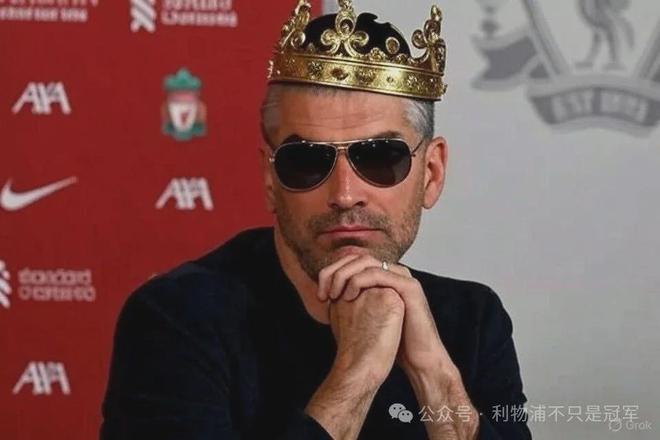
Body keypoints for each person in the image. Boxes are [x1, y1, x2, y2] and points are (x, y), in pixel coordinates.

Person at [100, 1, 531, 439]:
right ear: (270, 179)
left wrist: (433, 374)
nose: (344, 194)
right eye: (306, 162)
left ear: (432, 173)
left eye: (381, 158)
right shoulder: (177, 320)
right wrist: (357, 372)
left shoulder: (473, 320)